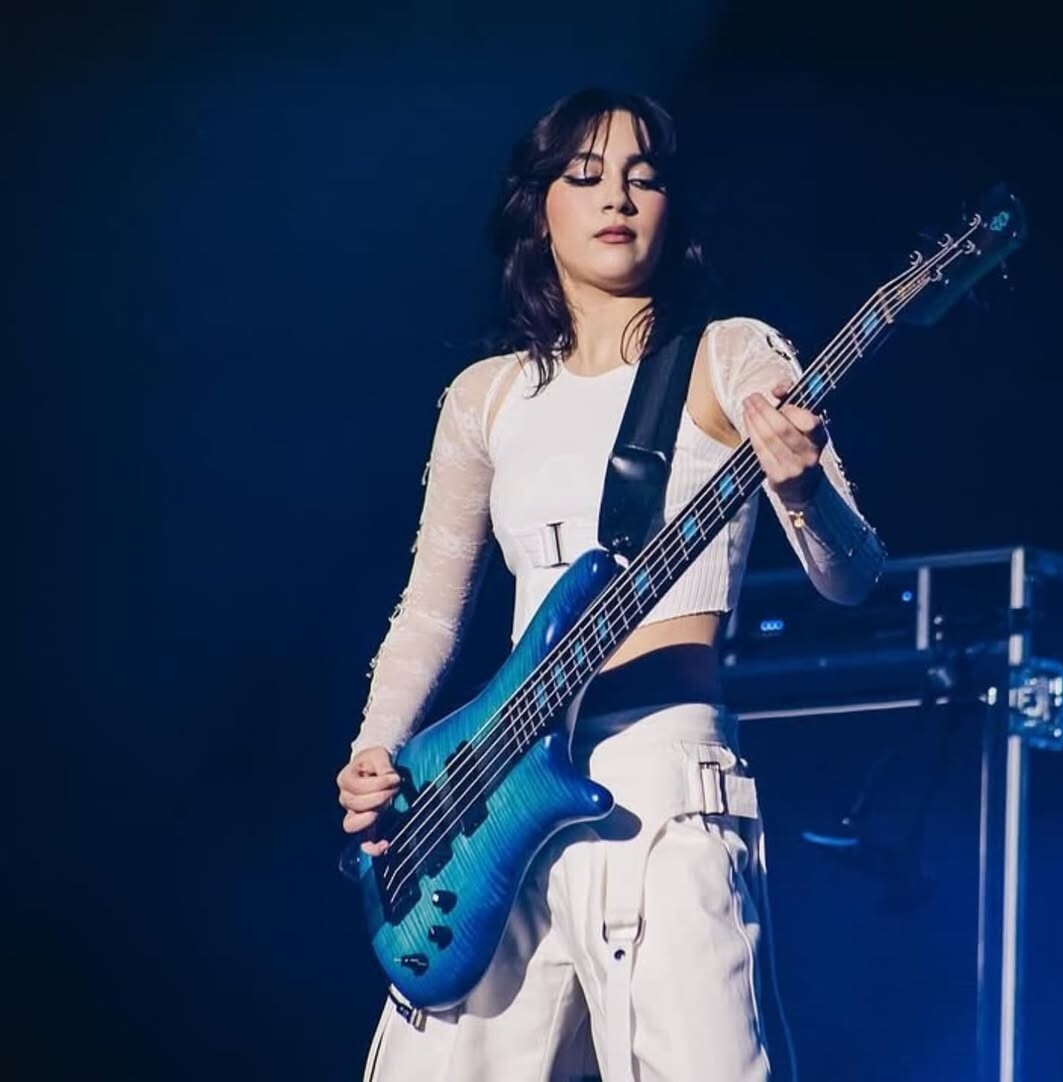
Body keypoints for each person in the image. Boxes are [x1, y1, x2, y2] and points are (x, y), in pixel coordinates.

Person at [336, 87, 884, 1082]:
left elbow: (852, 577)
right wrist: (377, 748)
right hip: (484, 795)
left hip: (659, 783)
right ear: (538, 208)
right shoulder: (486, 396)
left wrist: (802, 488)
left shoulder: (730, 353)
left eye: (644, 176)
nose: (617, 197)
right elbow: (429, 610)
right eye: (585, 176)